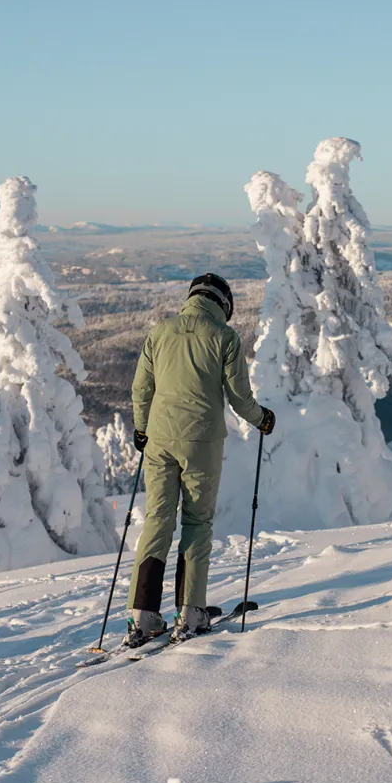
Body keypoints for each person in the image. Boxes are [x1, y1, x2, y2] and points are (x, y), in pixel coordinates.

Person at [125, 273, 275, 645]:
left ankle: (143, 615)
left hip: (159, 440)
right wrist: (263, 419)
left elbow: (141, 388)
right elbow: (240, 399)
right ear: (223, 304)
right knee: (196, 522)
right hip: (202, 443)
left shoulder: (160, 331)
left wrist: (142, 429)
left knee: (157, 520)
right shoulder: (224, 337)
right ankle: (190, 613)